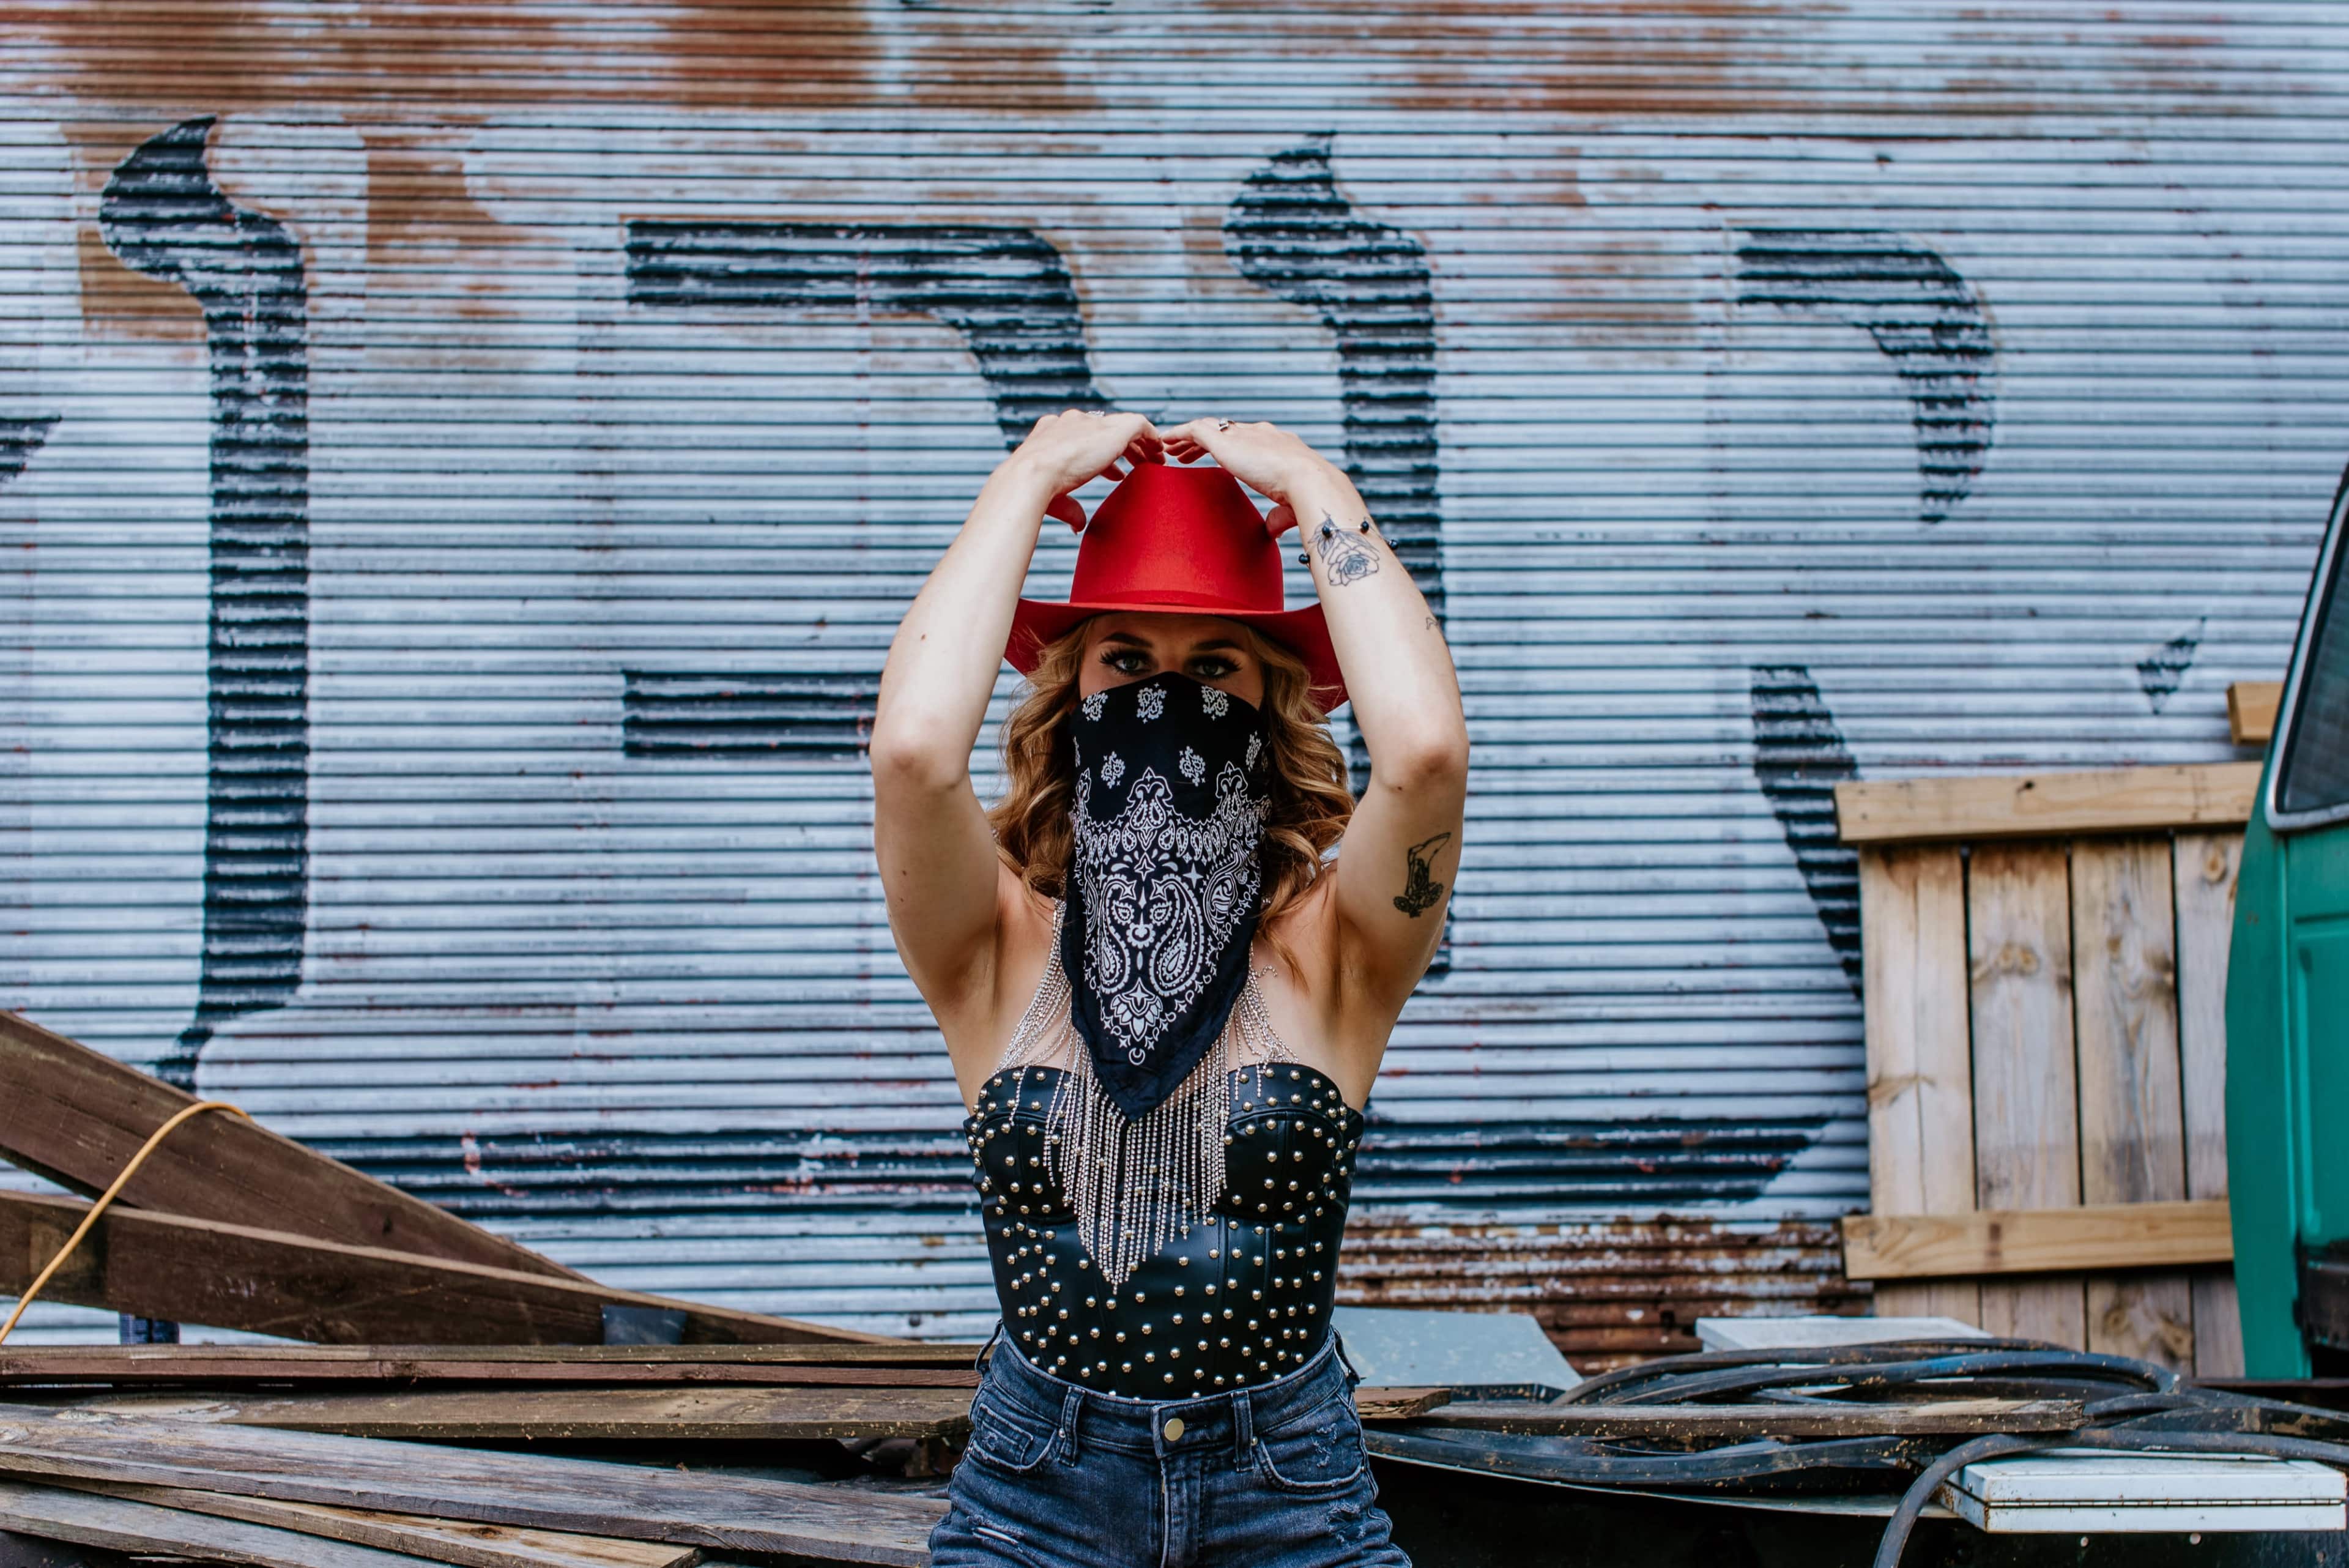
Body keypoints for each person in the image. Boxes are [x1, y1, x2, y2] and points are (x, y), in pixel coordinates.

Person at [870, 407, 1468, 1567]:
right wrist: (1027, 477)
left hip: (1288, 1490)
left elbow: (1427, 753)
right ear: (1069, 689)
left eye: (1214, 667)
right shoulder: (996, 944)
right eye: (1127, 662)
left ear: (1271, 698)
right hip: (1037, 1492)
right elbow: (912, 753)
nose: (1167, 698)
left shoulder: (1331, 948)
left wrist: (1310, 480)